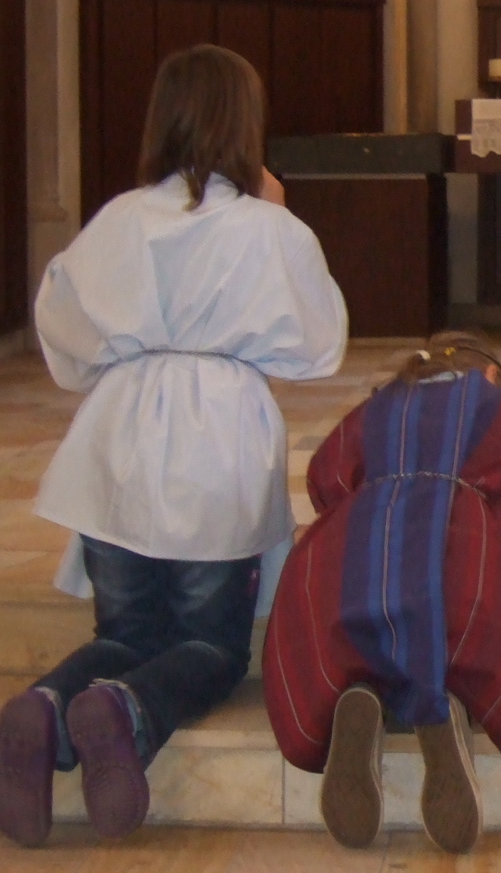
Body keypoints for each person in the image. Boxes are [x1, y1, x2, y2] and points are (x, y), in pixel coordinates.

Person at [0, 45, 348, 849]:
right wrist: (280, 212)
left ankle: (44, 706)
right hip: (216, 447)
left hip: (116, 442)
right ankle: (124, 710)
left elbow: (63, 329)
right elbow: (318, 348)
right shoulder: (266, 227)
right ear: (246, 125)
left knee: (122, 635)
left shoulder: (121, 217)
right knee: (208, 645)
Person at [262, 332, 501, 855]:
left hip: (349, 566)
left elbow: (326, 480)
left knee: (363, 620)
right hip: (458, 564)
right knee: (476, 609)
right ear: (490, 376)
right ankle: (447, 704)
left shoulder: (373, 408)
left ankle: (362, 695)